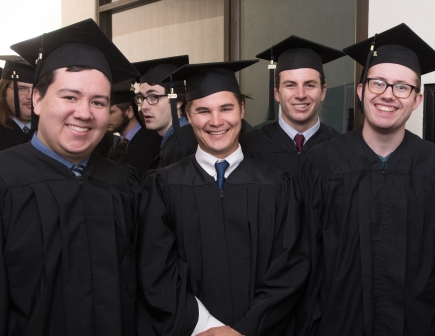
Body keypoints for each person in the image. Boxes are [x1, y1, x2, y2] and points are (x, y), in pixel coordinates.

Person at [298, 23, 435, 335]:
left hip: (417, 325)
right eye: (378, 83)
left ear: (417, 100)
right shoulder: (323, 162)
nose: (388, 95)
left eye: (402, 87)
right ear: (361, 91)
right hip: (337, 324)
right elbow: (305, 257)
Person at [137, 60, 308, 336]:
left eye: (226, 108)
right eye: (203, 111)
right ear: (188, 115)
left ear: (241, 110)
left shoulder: (278, 186)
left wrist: (243, 330)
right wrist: (208, 327)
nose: (216, 121)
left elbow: (290, 268)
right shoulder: (163, 186)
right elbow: (156, 271)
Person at [0, 19, 141, 335]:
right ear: (37, 100)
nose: (84, 113)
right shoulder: (5, 181)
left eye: (98, 102)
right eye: (70, 97)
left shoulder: (124, 184)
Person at [242, 36, 343, 179]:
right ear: (276, 93)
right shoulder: (250, 147)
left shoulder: (341, 148)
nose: (300, 94)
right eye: (290, 85)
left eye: (309, 85)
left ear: (323, 92)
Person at [133, 55, 198, 168]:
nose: (143, 106)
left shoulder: (181, 147)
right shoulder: (171, 140)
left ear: (177, 101)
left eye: (153, 97)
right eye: (142, 97)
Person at [107, 79, 161, 178]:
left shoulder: (154, 141)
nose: (105, 118)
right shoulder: (115, 149)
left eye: (111, 112)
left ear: (129, 111)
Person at [0, 55, 35, 150]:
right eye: (21, 88)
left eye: (37, 89)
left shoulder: (51, 131)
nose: (30, 96)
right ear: (4, 91)